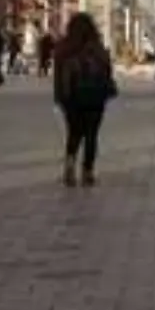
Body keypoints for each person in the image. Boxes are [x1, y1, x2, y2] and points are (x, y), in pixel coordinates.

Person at [53, 13, 117, 187]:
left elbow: (58, 77)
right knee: (91, 135)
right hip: (95, 98)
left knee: (73, 133)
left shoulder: (63, 48)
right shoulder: (97, 48)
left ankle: (69, 166)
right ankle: (87, 172)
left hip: (71, 98)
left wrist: (59, 97)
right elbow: (107, 71)